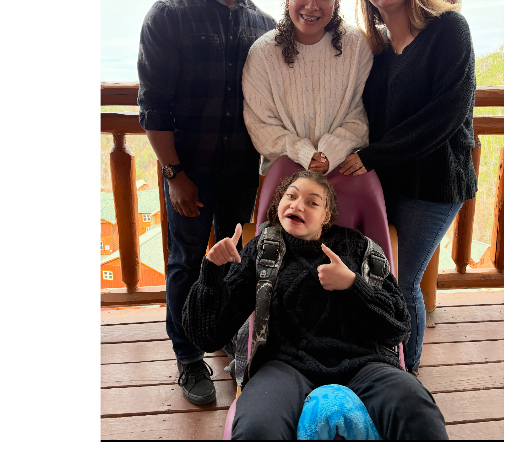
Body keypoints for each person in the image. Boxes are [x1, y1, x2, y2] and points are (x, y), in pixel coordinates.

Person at [182, 170, 449, 440]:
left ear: (327, 216)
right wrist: (211, 273)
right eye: (291, 196)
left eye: (312, 202)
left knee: (419, 414)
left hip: (365, 364)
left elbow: (398, 327)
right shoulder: (264, 249)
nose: (298, 205)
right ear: (279, 203)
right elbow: (208, 335)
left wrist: (352, 285)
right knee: (256, 429)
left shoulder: (359, 248)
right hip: (285, 366)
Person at [137, 0, 276, 406]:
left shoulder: (265, 27)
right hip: (189, 172)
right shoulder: (168, 15)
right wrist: (174, 174)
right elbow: (154, 105)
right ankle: (189, 356)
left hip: (242, 172)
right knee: (186, 261)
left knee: (234, 258)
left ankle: (224, 334)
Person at [338, 0, 478, 377]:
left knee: (402, 279)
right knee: (379, 275)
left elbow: (446, 114)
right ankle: (383, 363)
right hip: (388, 184)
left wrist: (374, 155)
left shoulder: (448, 30)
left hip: (434, 186)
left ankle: (406, 371)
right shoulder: (376, 52)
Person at [242, 0, 393, 266]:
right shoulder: (263, 53)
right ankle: (271, 292)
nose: (312, 5)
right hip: (286, 165)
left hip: (343, 161)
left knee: (366, 185)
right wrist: (304, 153)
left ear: (336, 1)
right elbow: (261, 126)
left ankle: (376, 290)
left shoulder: (356, 46)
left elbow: (362, 114)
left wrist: (329, 152)